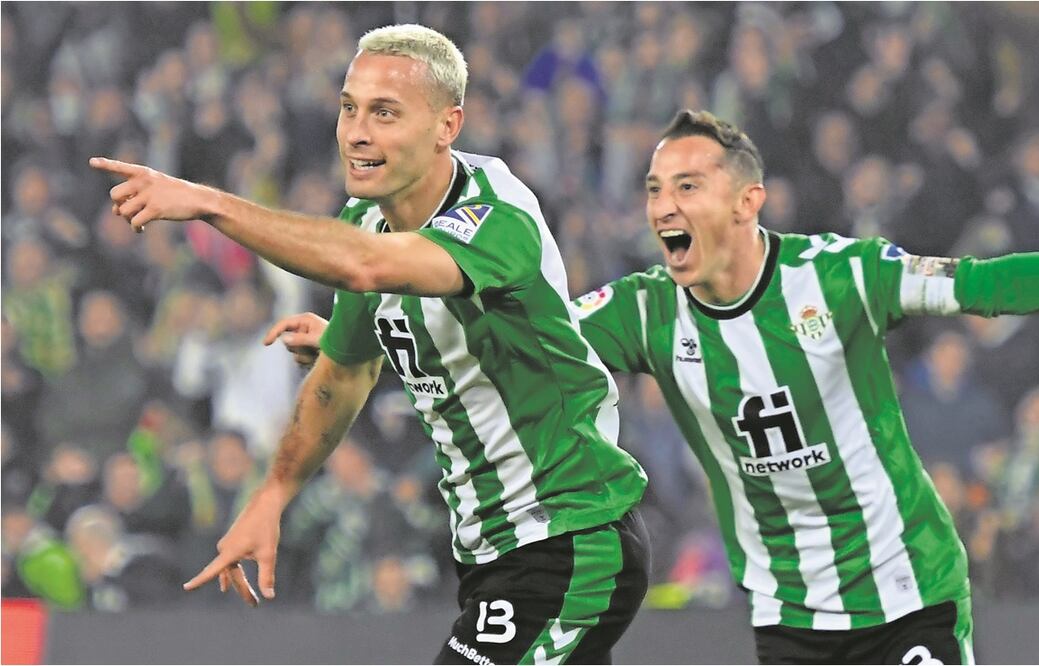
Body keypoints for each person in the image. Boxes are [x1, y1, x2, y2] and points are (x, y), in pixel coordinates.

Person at [93, 24, 649, 664]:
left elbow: (368, 267)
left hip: (571, 532)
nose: (357, 132)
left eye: (385, 113)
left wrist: (209, 204)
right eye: (349, 108)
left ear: (447, 125)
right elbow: (342, 376)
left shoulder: (496, 216)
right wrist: (273, 494)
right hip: (492, 552)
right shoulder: (367, 220)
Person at [566, 110, 1039, 664]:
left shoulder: (840, 276)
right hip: (790, 616)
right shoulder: (645, 311)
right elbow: (533, 344)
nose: (664, 206)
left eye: (687, 187)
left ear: (746, 202)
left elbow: (987, 283)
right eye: (655, 189)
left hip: (907, 589)